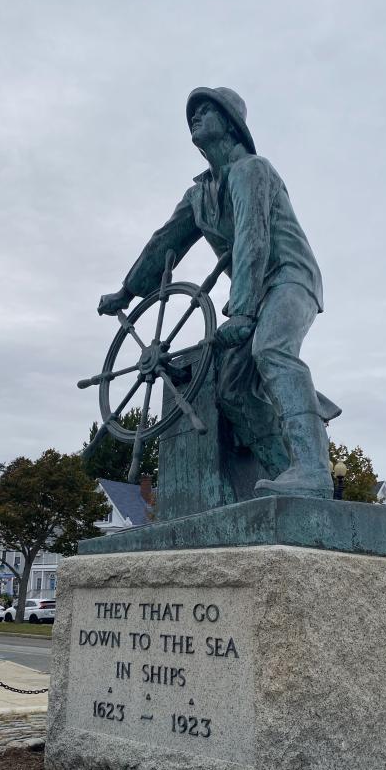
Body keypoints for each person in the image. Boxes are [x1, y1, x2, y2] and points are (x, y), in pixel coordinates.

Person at [98, 87, 340, 499]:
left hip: (290, 278)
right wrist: (127, 291)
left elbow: (252, 239)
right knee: (232, 391)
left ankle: (315, 472)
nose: (195, 117)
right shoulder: (199, 196)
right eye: (192, 112)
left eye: (205, 110)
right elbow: (164, 244)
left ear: (229, 124)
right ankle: (287, 477)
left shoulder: (252, 170)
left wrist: (243, 313)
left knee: (272, 351)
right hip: (254, 294)